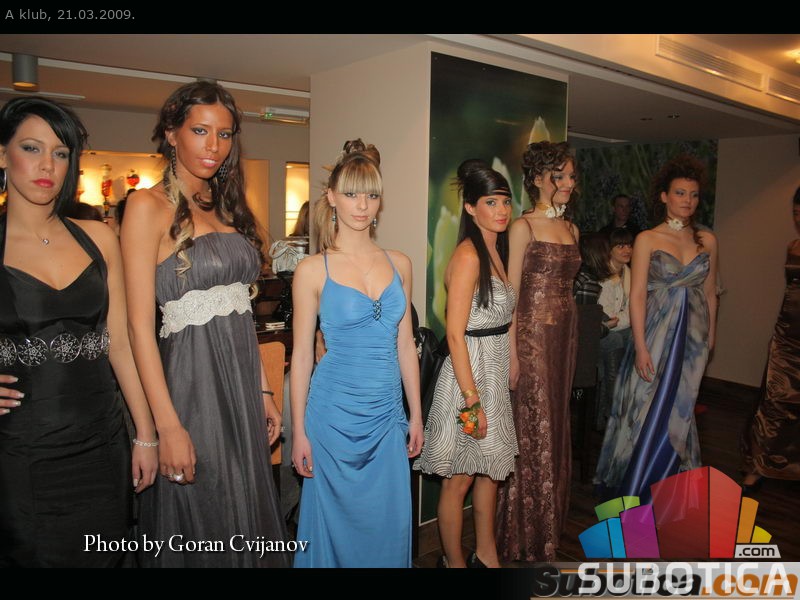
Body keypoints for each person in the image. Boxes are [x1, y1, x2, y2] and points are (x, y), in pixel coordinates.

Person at [121, 81, 290, 567]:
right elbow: (137, 328)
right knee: (206, 512)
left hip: (239, 386)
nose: (214, 145)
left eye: (224, 133)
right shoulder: (146, 206)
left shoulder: (227, 203)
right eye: (200, 131)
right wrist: (165, 426)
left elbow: (240, 310)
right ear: (171, 134)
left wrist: (261, 389)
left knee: (244, 509)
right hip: (190, 389)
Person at [0, 97, 158, 566]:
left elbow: (121, 345)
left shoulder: (99, 237)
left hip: (102, 443)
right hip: (21, 451)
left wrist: (145, 434)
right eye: (31, 148)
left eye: (60, 152)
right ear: (3, 154)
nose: (47, 165)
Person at [291, 139, 423, 568]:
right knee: (332, 526)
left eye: (371, 195)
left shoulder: (400, 264)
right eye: (351, 194)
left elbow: (406, 344)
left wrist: (416, 414)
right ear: (331, 197)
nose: (362, 205)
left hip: (386, 416)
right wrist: (299, 432)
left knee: (388, 523)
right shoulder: (312, 270)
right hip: (331, 419)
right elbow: (302, 358)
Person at [594, 154, 718, 504]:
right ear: (664, 196)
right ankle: (639, 485)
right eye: (680, 193)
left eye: (693, 195)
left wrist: (710, 339)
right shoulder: (647, 238)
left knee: (682, 408)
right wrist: (641, 346)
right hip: (655, 334)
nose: (687, 201)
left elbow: (710, 293)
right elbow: (636, 295)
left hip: (692, 339)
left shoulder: (707, 241)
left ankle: (673, 489)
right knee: (647, 405)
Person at [415, 159, 517, 569]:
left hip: (492, 371)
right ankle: (454, 563)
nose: (502, 210)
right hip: (468, 378)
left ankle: (487, 555)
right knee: (459, 480)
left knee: (490, 473)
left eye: (505, 201)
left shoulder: (496, 248)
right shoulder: (468, 255)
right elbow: (455, 334)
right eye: (491, 202)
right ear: (471, 208)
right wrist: (472, 400)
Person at [496, 141, 581, 562]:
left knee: (557, 422)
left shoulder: (572, 229)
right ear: (536, 178)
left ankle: (549, 524)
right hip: (531, 339)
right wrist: (512, 353)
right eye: (558, 176)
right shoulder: (522, 227)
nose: (567, 183)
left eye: (571, 176)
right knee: (534, 426)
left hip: (565, 338)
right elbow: (511, 296)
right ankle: (524, 532)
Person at [740, 186, 800, 490]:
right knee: (773, 399)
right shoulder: (793, 246)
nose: (798, 218)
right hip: (787, 333)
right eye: (796, 212)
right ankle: (760, 465)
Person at [595, 227, 634, 430]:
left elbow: (632, 310)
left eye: (629, 245)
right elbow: (609, 318)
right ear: (609, 250)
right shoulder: (604, 276)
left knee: (637, 337)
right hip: (600, 332)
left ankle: (621, 412)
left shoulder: (630, 273)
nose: (627, 250)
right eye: (620, 246)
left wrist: (625, 319)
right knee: (617, 340)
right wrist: (627, 318)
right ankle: (611, 414)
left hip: (619, 330)